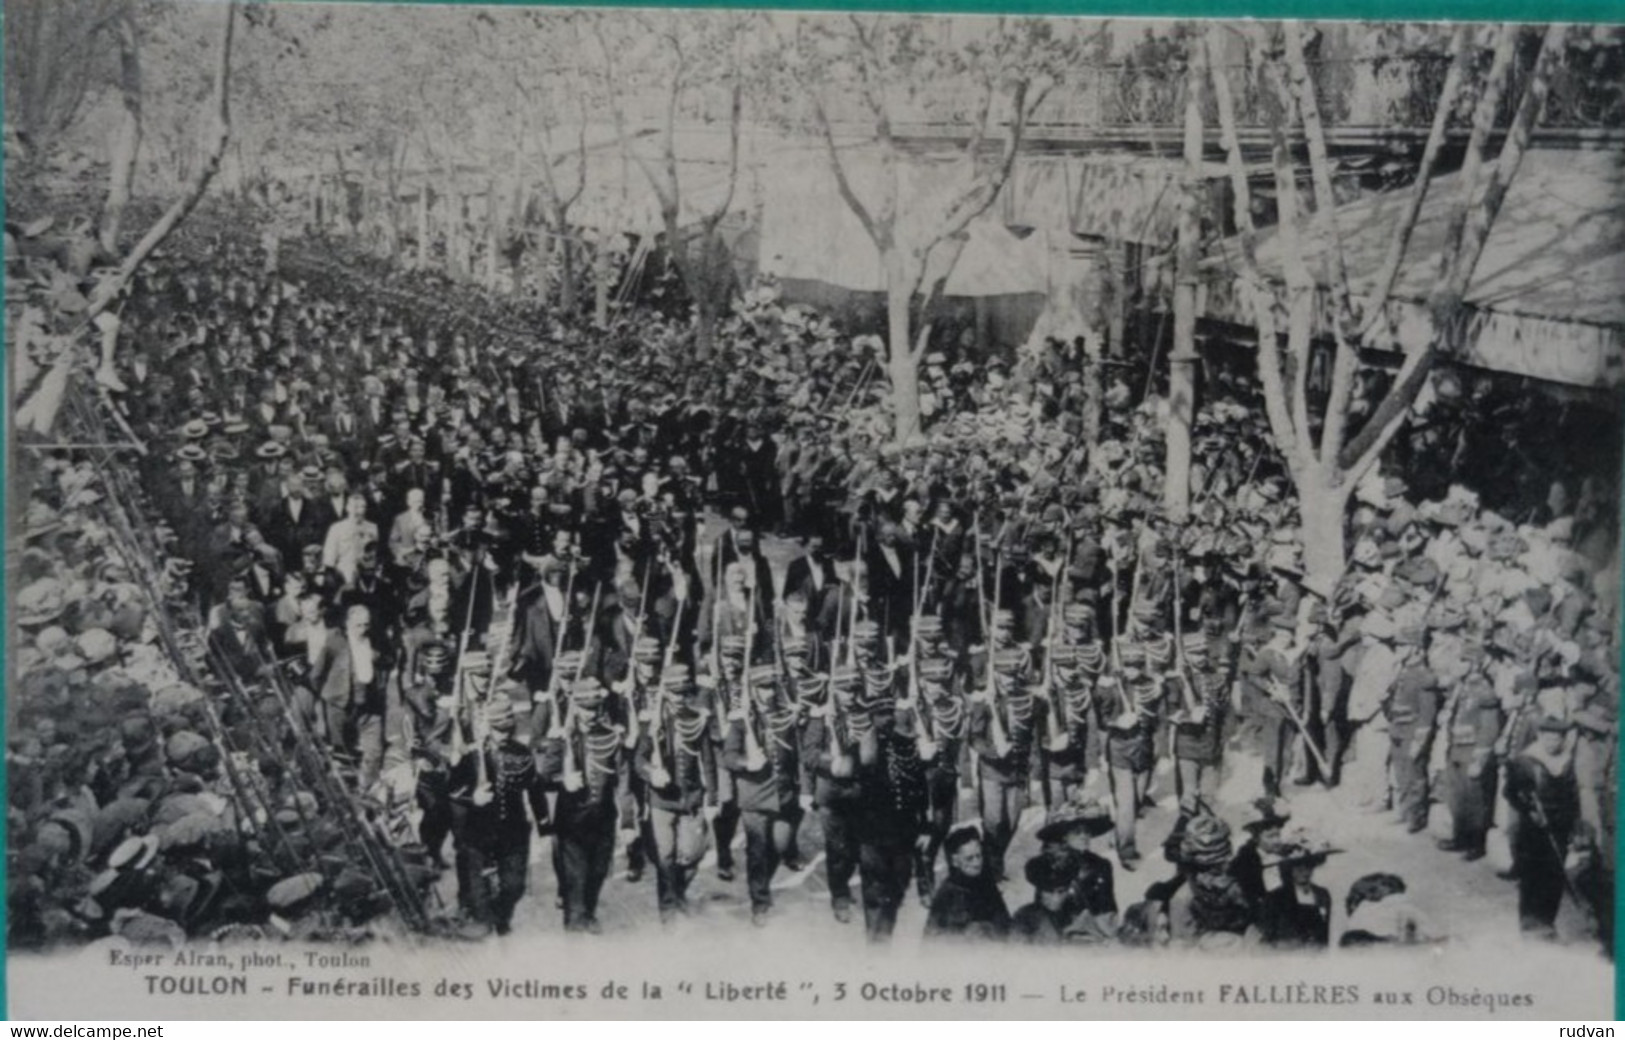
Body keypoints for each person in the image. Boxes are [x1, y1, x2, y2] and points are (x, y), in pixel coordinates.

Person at [447, 697, 550, 936]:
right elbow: (452, 790)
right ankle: (483, 921)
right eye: (498, 730)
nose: (504, 734)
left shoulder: (521, 753)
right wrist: (473, 797)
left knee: (514, 886)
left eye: (508, 729)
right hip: (478, 829)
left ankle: (501, 913)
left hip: (512, 829)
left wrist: (544, 823)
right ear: (488, 728)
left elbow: (534, 788)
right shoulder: (471, 756)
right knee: (478, 889)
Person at [1504, 715, 1580, 938]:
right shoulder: (1525, 761)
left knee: (1554, 875)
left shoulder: (1567, 762)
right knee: (1532, 874)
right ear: (1539, 737)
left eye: (1557, 739)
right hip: (1532, 828)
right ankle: (1529, 921)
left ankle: (1547, 922)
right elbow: (1510, 793)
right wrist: (1529, 809)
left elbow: (1573, 797)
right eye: (1548, 739)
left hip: (1559, 827)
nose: (1552, 744)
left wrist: (1570, 821)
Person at [924, 826, 1010, 941]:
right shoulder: (948, 894)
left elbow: (1006, 925)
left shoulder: (987, 885)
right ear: (955, 861)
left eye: (979, 856)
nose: (976, 863)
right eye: (969, 859)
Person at [1255, 828, 1335, 949]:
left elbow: (1326, 932)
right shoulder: (1275, 898)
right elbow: (1268, 938)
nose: (1305, 872)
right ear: (1289, 869)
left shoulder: (1322, 894)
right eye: (1298, 867)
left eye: (1308, 866)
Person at [1012, 854, 1080, 945]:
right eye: (1049, 891)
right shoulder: (1025, 917)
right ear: (1040, 891)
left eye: (1061, 891)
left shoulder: (1080, 914)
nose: (1055, 898)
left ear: (1069, 889)